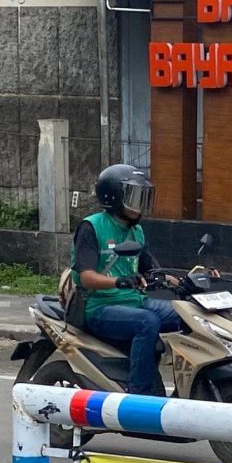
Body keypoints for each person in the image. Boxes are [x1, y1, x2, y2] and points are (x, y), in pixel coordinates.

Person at [73, 164, 187, 397]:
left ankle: (187, 385)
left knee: (187, 315)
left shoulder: (137, 231)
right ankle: (138, 392)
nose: (140, 205)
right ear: (113, 197)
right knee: (147, 322)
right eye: (134, 197)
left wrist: (184, 281)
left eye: (143, 197)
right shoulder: (92, 227)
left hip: (134, 301)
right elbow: (86, 277)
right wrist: (119, 282)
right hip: (99, 306)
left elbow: (150, 270)